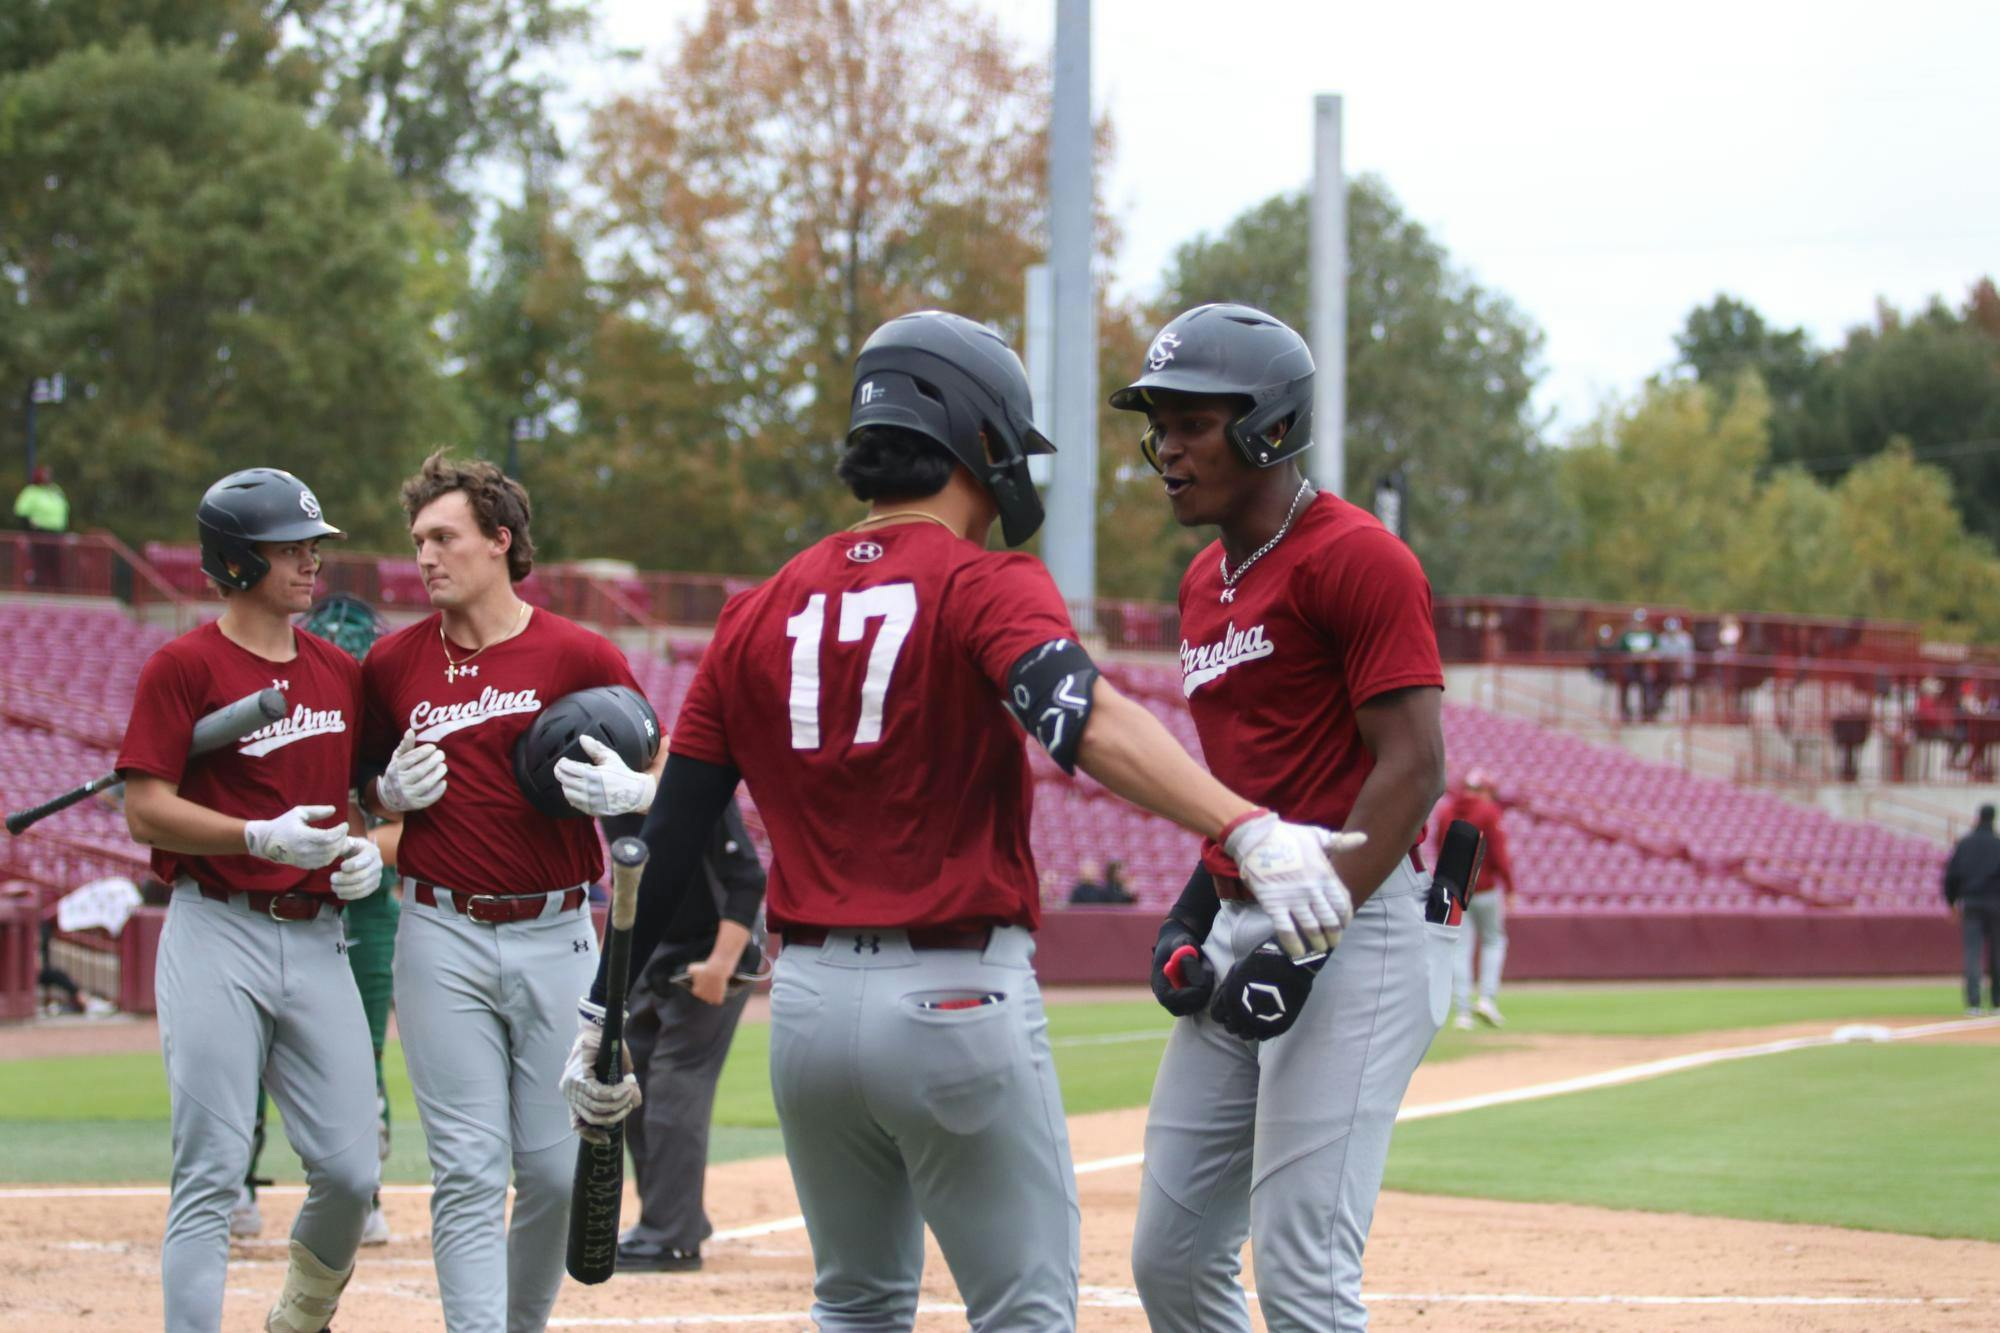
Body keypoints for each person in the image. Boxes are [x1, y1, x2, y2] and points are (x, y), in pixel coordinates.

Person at [562, 309, 1356, 1332]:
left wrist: (599, 1010)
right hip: (952, 999)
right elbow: (1081, 715)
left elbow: (667, 834)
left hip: (801, 1013)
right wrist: (1245, 826)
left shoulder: (754, 611)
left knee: (853, 1303)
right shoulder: (982, 581)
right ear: (976, 435)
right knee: (1023, 1309)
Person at [1111, 302, 1451, 1333]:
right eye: (1156, 424)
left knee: (1301, 1272)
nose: (1165, 448)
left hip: (1358, 923)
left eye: (1191, 423)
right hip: (1243, 913)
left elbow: (1414, 763)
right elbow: (1247, 782)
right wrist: (1189, 909)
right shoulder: (1201, 581)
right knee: (1168, 1260)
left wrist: (1306, 941)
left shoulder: (1356, 556)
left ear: (1265, 424)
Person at [358, 452, 665, 1333]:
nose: (425, 556)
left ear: (500, 540)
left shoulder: (579, 650)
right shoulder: (389, 664)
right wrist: (384, 796)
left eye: (444, 536)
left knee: (555, 1168)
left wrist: (637, 792)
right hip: (437, 929)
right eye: (417, 540)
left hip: (560, 928)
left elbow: (663, 752)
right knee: (465, 1166)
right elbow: (356, 789)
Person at [116, 468, 385, 1333]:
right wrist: (253, 836)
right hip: (216, 930)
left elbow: (360, 805)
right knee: (212, 1169)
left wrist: (362, 852)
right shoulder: (183, 665)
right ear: (235, 562)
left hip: (319, 938)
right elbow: (144, 807)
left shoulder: (340, 673)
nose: (312, 561)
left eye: (313, 545)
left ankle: (300, 1317)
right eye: (290, 548)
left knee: (350, 1174)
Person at [235, 595, 404, 1247]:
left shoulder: (377, 709)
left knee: (362, 1045)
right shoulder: (286, 696)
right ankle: (235, 1182)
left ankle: (366, 1188)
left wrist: (366, 847)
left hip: (365, 896)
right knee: (243, 1045)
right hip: (273, 892)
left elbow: (404, 820)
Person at [612, 801, 766, 1273]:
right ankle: (679, 1216)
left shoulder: (694, 785)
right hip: (656, 946)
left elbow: (747, 878)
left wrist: (721, 965)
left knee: (678, 1082)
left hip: (717, 944)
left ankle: (671, 1238)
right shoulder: (607, 792)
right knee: (632, 1084)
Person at [1436, 769, 1515, 1030]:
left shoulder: (1446, 811)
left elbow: (1439, 847)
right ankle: (1487, 999)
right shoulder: (1488, 811)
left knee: (1461, 949)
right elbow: (1499, 851)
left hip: (1457, 888)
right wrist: (1510, 885)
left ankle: (1463, 1012)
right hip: (1485, 889)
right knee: (1493, 940)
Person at [1944, 804, 2000, 1015]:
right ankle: (1997, 1003)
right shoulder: (1997, 844)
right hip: (1996, 903)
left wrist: (1952, 903)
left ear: (1977, 818)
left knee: (1973, 953)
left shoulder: (1965, 845)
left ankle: (1974, 1003)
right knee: (1997, 954)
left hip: (1972, 902)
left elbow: (1951, 876)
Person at [13, 464, 69, 588]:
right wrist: (28, 528)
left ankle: (57, 589)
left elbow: (65, 509)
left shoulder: (56, 490)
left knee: (56, 564)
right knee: (39, 563)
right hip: (39, 533)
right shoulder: (31, 491)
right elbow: (21, 511)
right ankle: (38, 586)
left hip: (57, 534)